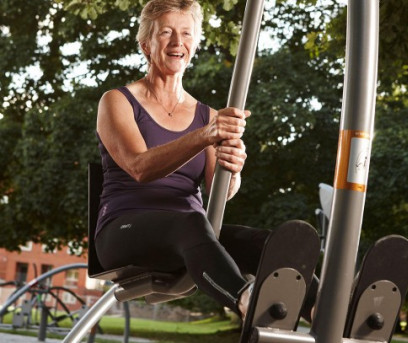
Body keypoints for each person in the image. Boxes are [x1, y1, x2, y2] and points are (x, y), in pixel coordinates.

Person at [94, 0, 315, 320]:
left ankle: (325, 308)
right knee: (191, 223)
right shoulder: (118, 101)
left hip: (193, 232)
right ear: (145, 44)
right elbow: (140, 168)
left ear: (195, 44)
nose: (176, 42)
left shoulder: (207, 115)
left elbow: (218, 191)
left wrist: (234, 169)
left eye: (186, 33)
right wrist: (203, 136)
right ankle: (248, 303)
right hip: (124, 230)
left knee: (264, 244)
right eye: (166, 32)